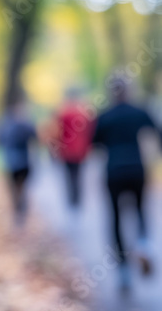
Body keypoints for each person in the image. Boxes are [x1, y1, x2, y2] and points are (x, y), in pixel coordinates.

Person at [93, 76, 158, 290]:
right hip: (136, 168)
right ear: (128, 91)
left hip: (114, 170)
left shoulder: (104, 116)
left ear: (112, 92)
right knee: (140, 209)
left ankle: (123, 270)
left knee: (115, 217)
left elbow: (94, 144)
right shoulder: (139, 111)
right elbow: (158, 133)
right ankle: (143, 246)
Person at [0, 102, 36, 225]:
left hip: (11, 162)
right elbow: (34, 136)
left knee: (15, 187)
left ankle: (18, 208)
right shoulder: (24, 125)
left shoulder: (4, 126)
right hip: (22, 161)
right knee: (21, 186)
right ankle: (20, 207)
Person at [54, 89, 94, 207]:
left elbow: (57, 131)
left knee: (69, 175)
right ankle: (78, 197)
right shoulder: (84, 112)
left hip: (66, 150)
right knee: (78, 173)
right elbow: (89, 132)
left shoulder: (62, 112)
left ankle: (71, 198)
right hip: (80, 150)